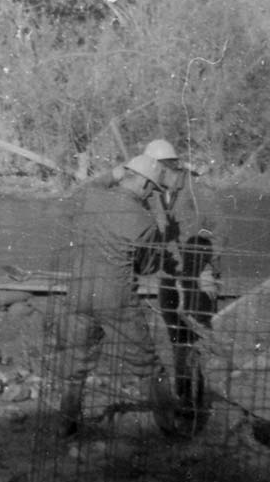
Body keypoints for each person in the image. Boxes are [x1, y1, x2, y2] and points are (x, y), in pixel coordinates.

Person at [57, 138, 197, 436]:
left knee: (76, 359)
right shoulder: (144, 221)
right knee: (146, 363)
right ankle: (170, 427)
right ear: (147, 187)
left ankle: (67, 421)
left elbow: (77, 196)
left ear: (126, 175)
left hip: (79, 291)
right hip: (116, 298)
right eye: (152, 190)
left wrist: (112, 173)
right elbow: (147, 267)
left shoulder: (90, 198)